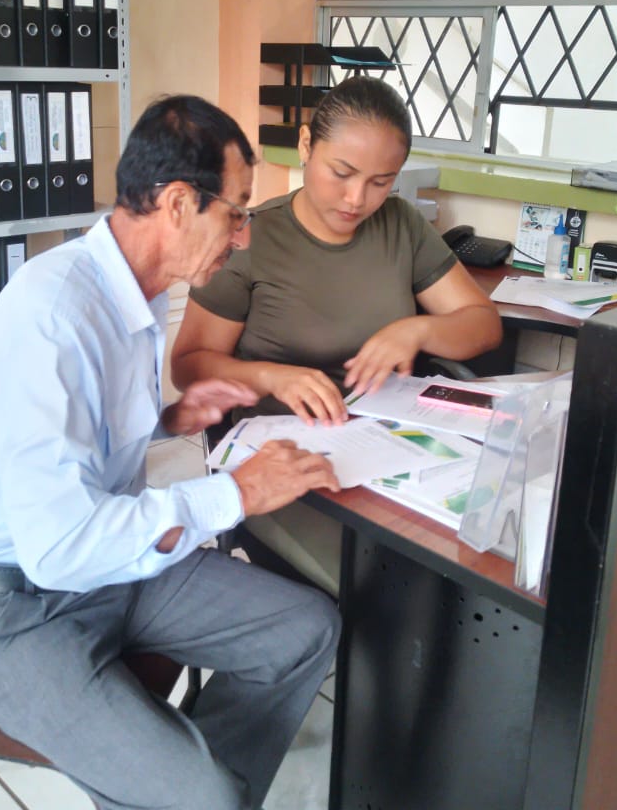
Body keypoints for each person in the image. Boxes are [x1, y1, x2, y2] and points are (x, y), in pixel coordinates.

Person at [0, 95, 342, 810]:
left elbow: (80, 448)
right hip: (9, 612)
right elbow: (58, 546)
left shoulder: (133, 293)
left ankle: (199, 792)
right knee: (201, 795)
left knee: (304, 631)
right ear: (178, 203)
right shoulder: (55, 317)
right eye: (236, 213)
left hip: (107, 571)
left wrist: (170, 421)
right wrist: (236, 493)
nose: (243, 236)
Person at [171, 76, 503, 594]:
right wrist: (270, 377)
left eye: (380, 181)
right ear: (306, 145)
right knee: (375, 587)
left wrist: (419, 329)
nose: (356, 199)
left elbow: (483, 324)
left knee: (465, 560)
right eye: (342, 173)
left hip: (394, 453)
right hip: (290, 463)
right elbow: (188, 363)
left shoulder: (401, 225)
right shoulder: (251, 238)